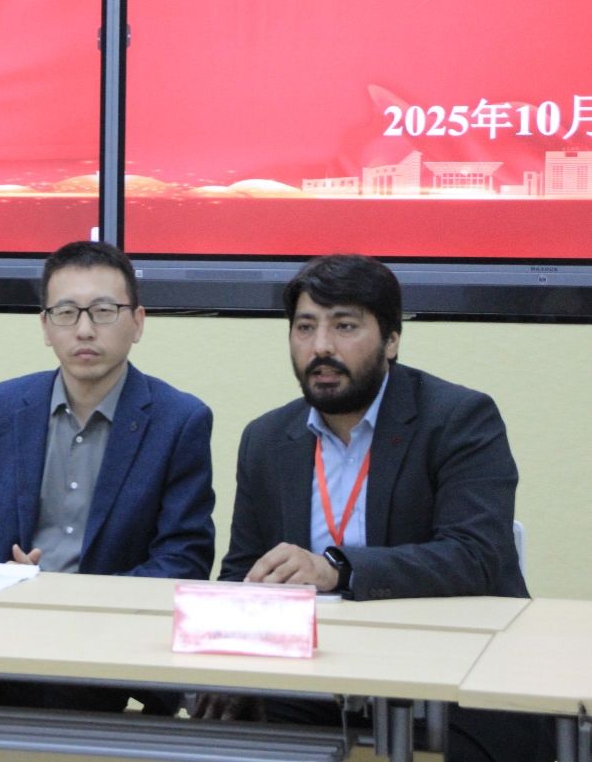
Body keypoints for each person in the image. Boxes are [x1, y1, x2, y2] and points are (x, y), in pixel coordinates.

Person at [204, 253, 551, 761]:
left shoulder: (459, 419)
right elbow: (243, 572)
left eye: (344, 326)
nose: (321, 347)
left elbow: (475, 556)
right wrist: (227, 667)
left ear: (391, 340)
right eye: (305, 327)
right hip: (318, 683)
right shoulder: (267, 439)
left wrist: (336, 570)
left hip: (449, 679)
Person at [0, 240, 216, 712]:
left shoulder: (179, 420)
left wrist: (76, 601)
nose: (84, 329)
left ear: (138, 322)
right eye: (66, 313)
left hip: (112, 641)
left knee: (61, 694)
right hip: (3, 631)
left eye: (103, 311)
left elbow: (183, 560)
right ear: (45, 326)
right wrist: (0, 579)